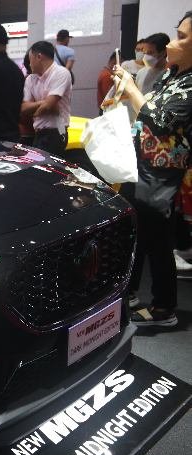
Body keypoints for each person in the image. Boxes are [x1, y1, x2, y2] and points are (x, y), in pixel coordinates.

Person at [112, 10, 192, 327]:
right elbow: (148, 111)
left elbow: (161, 120)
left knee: (158, 241)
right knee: (141, 234)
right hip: (143, 167)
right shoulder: (173, 75)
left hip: (163, 174)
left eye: (181, 37)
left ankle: (163, 308)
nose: (171, 43)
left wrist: (132, 89)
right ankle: (132, 294)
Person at [21, 41, 72, 156]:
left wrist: (36, 110)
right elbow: (23, 108)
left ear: (39, 57)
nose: (29, 64)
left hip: (57, 132)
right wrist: (44, 102)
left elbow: (48, 106)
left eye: (30, 60)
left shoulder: (61, 73)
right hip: (39, 133)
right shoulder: (30, 79)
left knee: (48, 165)